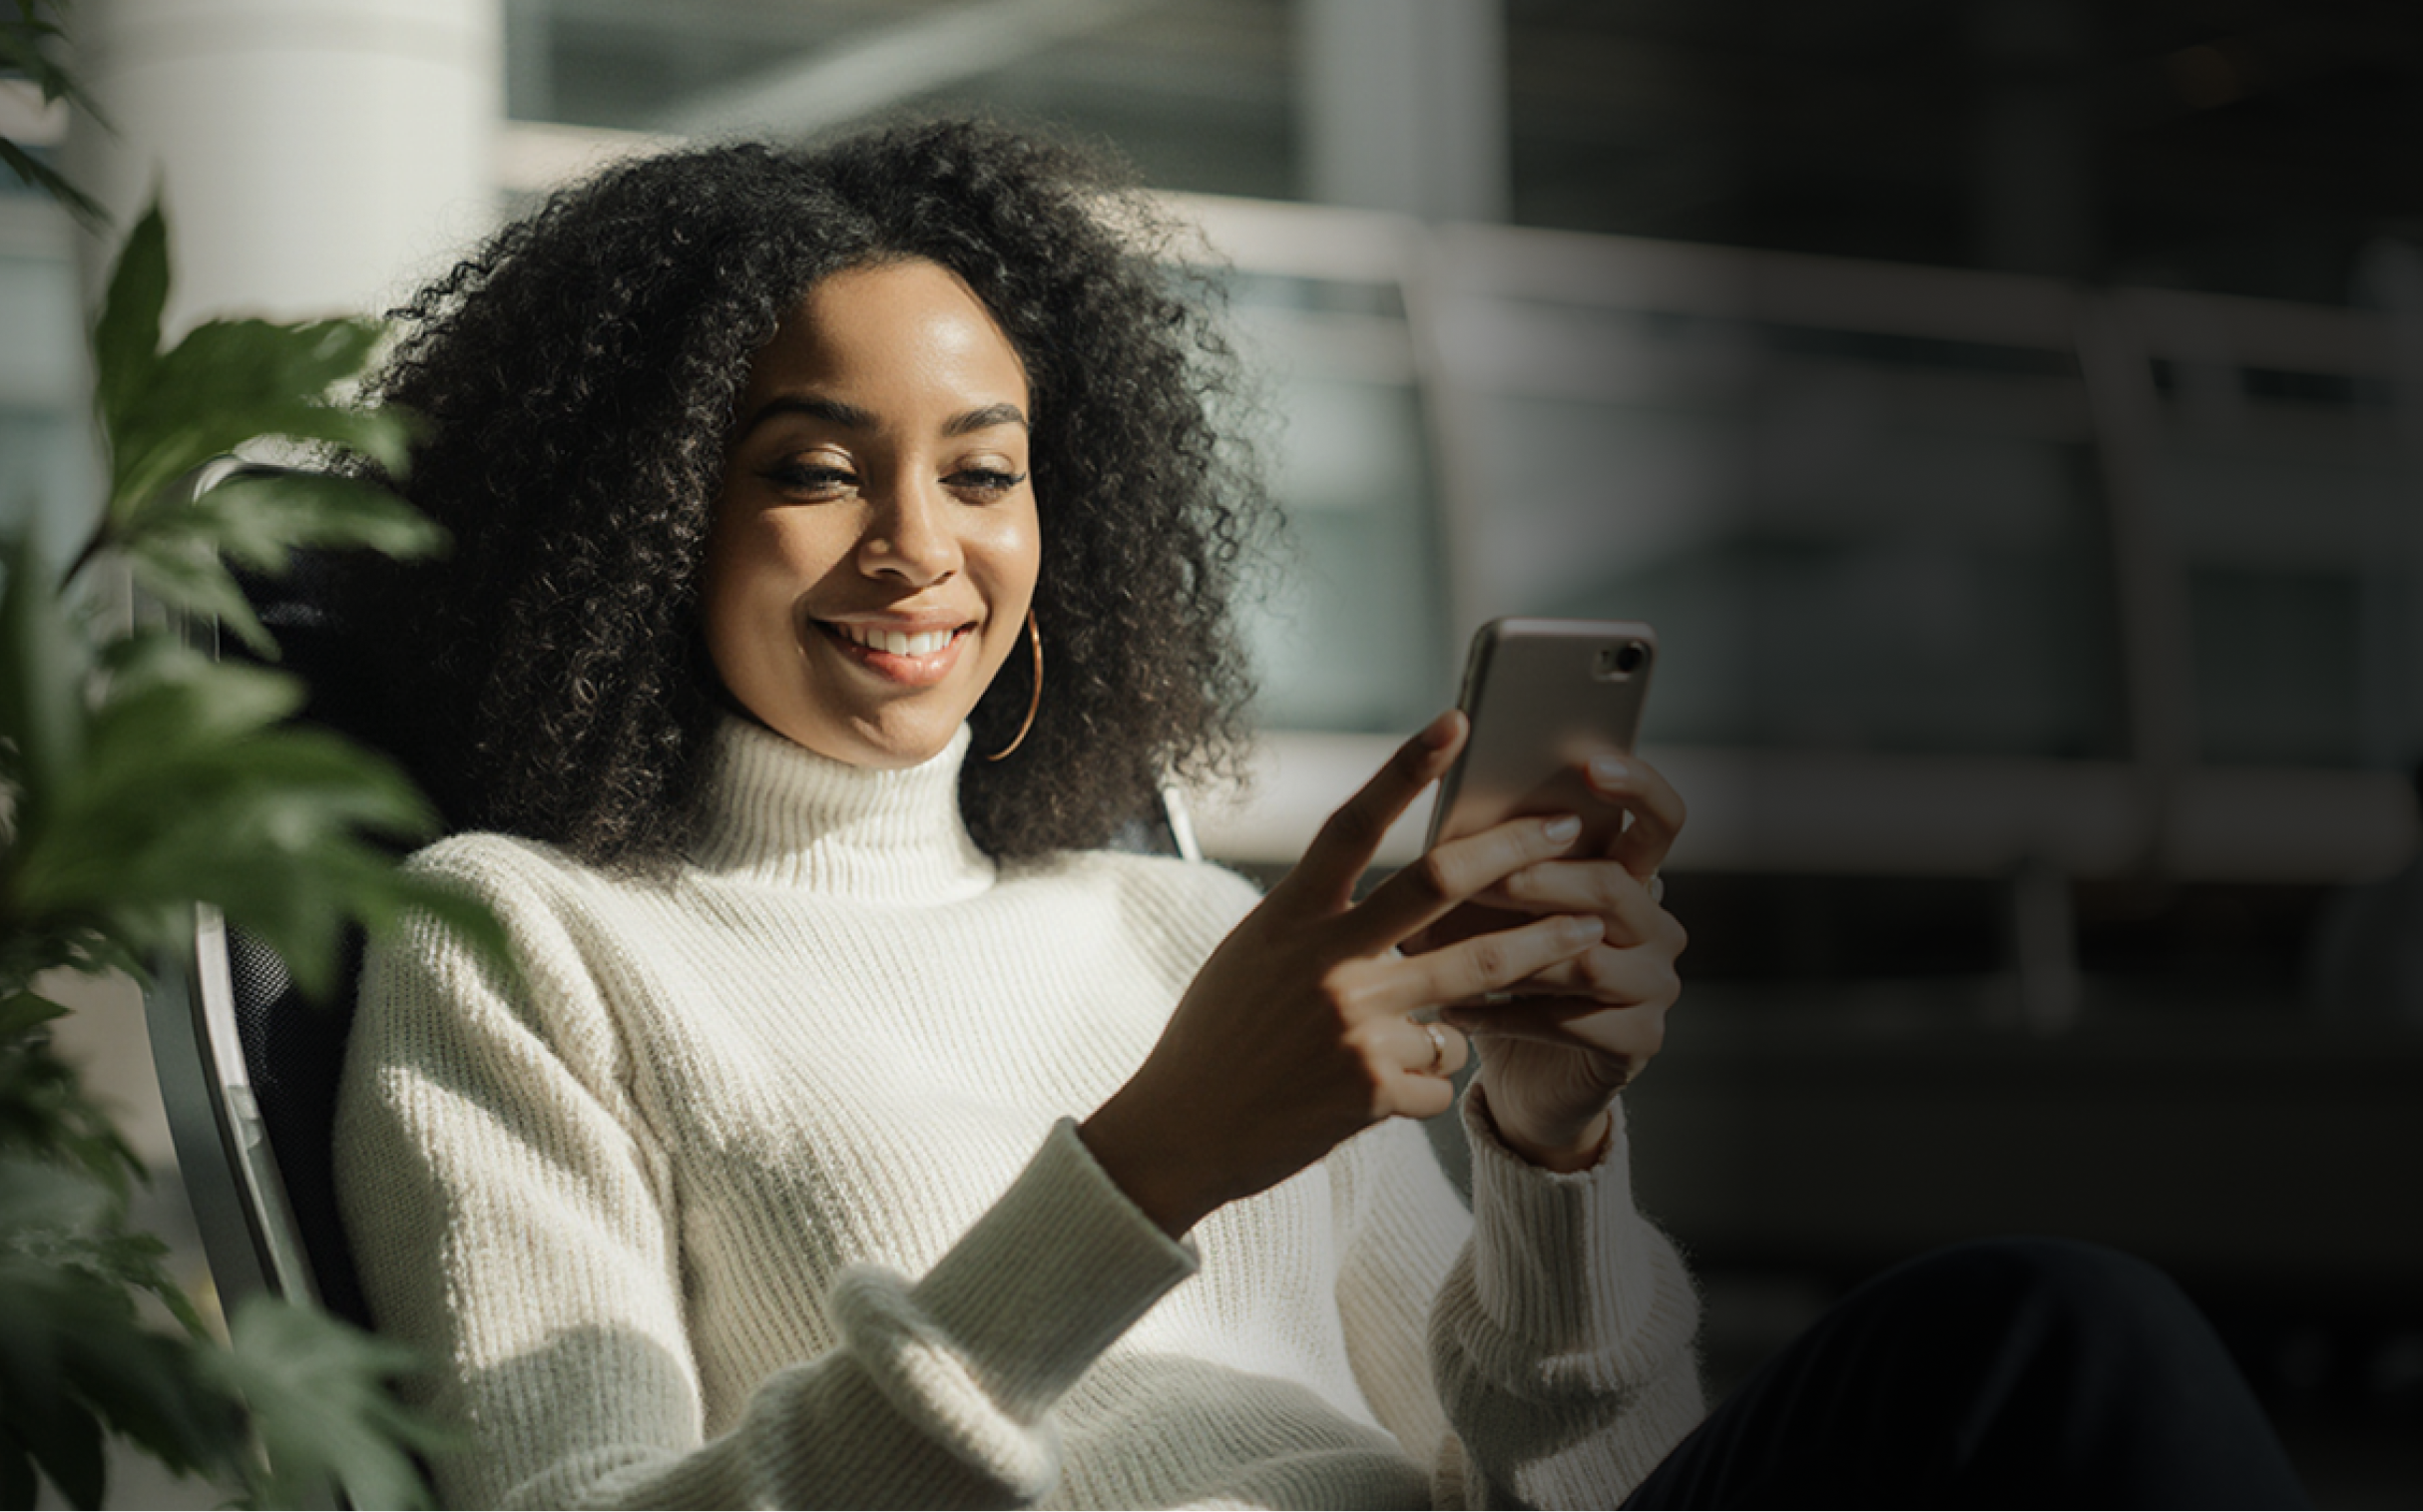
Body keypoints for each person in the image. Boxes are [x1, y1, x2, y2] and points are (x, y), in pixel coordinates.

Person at [331, 120, 2308, 1511]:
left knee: (2053, 1337)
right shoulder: (518, 940)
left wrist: (1545, 1149)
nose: (919, 548)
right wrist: (1142, 1171)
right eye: (814, 470)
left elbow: (1570, 1489)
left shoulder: (1186, 938)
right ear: (645, 524)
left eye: (984, 469)